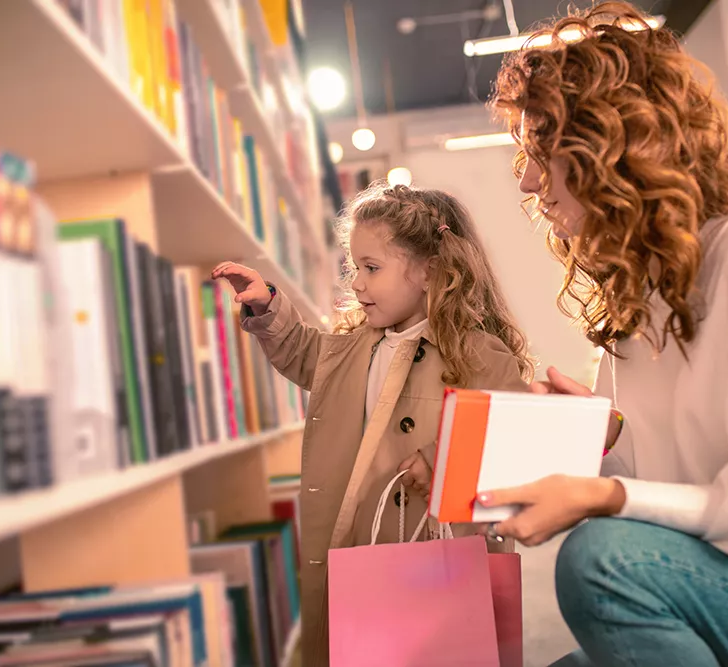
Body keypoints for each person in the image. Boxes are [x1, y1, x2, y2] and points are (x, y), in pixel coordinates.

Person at [483, 2, 728, 665]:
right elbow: (671, 495)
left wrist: (610, 492)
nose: (526, 181)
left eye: (541, 148)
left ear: (616, 146)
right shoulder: (640, 298)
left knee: (602, 566)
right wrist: (608, 444)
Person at [212, 181, 533, 666]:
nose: (356, 283)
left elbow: (509, 436)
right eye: (352, 268)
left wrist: (439, 459)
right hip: (359, 545)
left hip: (435, 558)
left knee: (437, 652)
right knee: (359, 647)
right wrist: (266, 305)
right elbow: (303, 353)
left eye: (371, 268)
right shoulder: (355, 345)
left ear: (430, 272)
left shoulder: (478, 354)